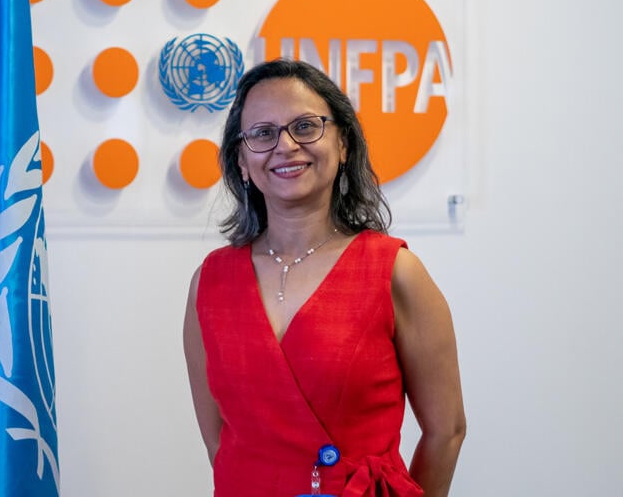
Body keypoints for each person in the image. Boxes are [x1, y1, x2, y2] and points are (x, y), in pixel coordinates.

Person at [183, 59, 465, 497]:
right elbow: (217, 441)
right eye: (262, 133)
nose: (286, 145)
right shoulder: (209, 283)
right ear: (241, 161)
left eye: (306, 126)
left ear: (344, 143)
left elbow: (446, 431)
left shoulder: (395, 272)